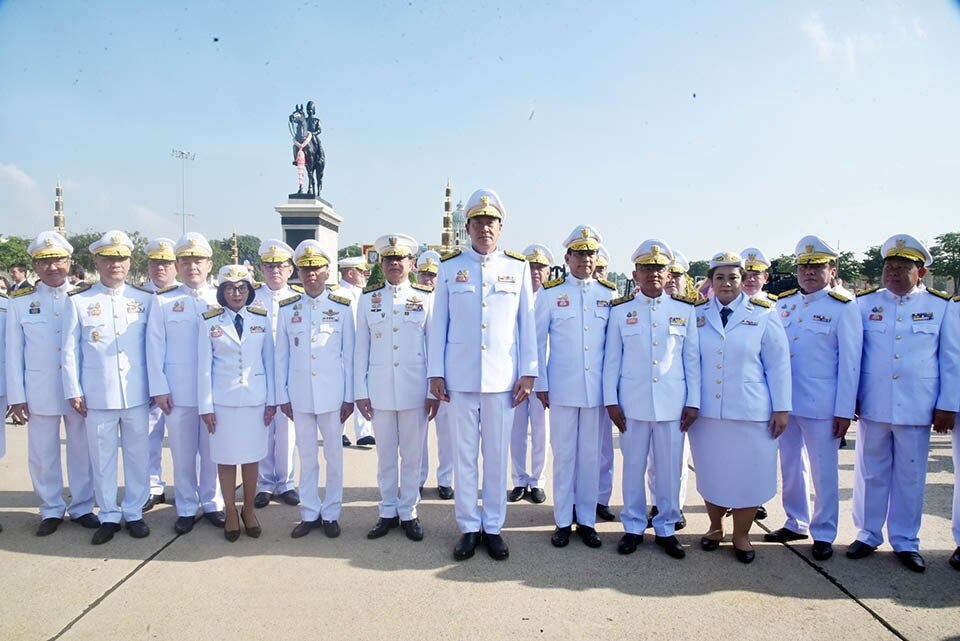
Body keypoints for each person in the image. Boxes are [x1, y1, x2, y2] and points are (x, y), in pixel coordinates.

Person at [428, 188, 537, 561]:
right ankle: (468, 526)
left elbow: (527, 327)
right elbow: (438, 325)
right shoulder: (449, 268)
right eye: (477, 222)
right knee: (464, 456)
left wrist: (528, 372)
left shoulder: (517, 267)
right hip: (460, 378)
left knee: (495, 455)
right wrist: (436, 373)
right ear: (468, 227)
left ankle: (493, 526)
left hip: (502, 380)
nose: (484, 228)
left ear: (500, 227)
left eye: (490, 222)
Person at [847, 234, 959, 573]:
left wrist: (947, 404)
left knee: (910, 476)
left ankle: (906, 540)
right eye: (889, 267)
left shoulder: (942, 307)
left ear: (920, 272)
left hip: (918, 405)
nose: (893, 273)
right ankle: (868, 534)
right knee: (870, 472)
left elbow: (950, 359)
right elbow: (854, 357)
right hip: (874, 404)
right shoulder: (863, 304)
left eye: (902, 267)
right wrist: (850, 397)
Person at [687, 251, 791, 564]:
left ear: (744, 280)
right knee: (712, 471)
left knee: (749, 474)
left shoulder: (764, 312)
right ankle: (715, 527)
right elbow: (691, 363)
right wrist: (691, 402)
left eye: (733, 277)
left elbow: (778, 364)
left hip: (751, 411)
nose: (726, 283)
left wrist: (782, 408)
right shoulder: (698, 315)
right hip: (707, 412)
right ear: (710, 281)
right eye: (719, 277)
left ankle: (741, 534)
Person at [764, 236, 862, 562]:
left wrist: (845, 410)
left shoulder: (844, 306)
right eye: (804, 266)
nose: (808, 271)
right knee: (790, 466)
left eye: (817, 266)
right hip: (786, 404)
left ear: (831, 270)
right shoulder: (784, 303)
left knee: (824, 471)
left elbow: (850, 364)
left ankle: (824, 532)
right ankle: (796, 521)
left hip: (823, 405)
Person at [603, 239, 700, 559]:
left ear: (668, 272)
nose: (653, 274)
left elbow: (692, 361)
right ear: (635, 273)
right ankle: (632, 525)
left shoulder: (684, 311)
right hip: (632, 404)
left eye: (659, 268)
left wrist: (694, 401)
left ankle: (666, 527)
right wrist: (611, 401)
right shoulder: (621, 311)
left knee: (670, 469)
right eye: (646, 268)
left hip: (673, 405)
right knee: (632, 467)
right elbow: (611, 360)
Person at [62, 231, 154, 545]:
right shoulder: (79, 300)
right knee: (101, 458)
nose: (115, 264)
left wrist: (155, 387)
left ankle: (135, 512)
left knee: (138, 455)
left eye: (121, 258)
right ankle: (109, 514)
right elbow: (69, 350)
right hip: (97, 394)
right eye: (109, 258)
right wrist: (73, 389)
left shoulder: (144, 299)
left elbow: (152, 350)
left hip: (136, 392)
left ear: (129, 262)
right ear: (97, 261)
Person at [6, 231, 98, 537]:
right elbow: (13, 353)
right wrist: (17, 397)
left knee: (81, 449)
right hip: (39, 389)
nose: (53, 267)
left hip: (79, 390)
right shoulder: (21, 303)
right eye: (44, 261)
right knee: (43, 452)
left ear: (69, 261)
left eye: (58, 259)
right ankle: (51, 508)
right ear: (34, 265)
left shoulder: (85, 297)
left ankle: (83, 506)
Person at [534, 225, 614, 549]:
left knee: (591, 459)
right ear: (567, 258)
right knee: (565, 456)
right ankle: (563, 521)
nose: (585, 259)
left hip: (595, 392)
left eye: (590, 253)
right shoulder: (551, 294)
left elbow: (614, 348)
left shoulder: (608, 295)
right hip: (563, 389)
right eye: (579, 254)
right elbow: (538, 342)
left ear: (597, 258)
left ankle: (587, 521)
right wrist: (541, 382)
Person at [356, 234, 437, 542]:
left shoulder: (425, 296)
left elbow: (433, 348)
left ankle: (410, 512)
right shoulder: (368, 298)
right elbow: (360, 351)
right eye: (389, 259)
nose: (394, 264)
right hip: (379, 391)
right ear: (382, 263)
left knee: (413, 455)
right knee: (386, 456)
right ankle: (387, 510)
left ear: (411, 263)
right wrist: (359, 391)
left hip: (415, 390)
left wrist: (433, 390)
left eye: (399, 258)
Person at [146, 233, 226, 535]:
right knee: (181, 453)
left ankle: (212, 502)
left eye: (198, 260)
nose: (193, 266)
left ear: (209, 264)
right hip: (177, 392)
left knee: (212, 452)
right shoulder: (164, 301)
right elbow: (154, 347)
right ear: (177, 266)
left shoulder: (221, 299)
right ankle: (186, 507)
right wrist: (160, 388)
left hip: (213, 392)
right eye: (186, 261)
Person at [276, 240, 355, 539]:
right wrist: (282, 396)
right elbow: (280, 356)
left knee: (334, 457)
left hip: (333, 396)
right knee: (306, 457)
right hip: (300, 395)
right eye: (305, 268)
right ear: (297, 271)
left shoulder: (342, 307)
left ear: (327, 270)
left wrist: (349, 397)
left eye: (316, 267)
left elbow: (349, 355)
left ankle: (332, 513)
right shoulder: (288, 309)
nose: (311, 273)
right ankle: (309, 511)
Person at [198, 265, 276, 541]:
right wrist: (205, 406)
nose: (237, 293)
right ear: (221, 292)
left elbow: (270, 362)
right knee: (226, 458)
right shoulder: (210, 321)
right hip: (223, 402)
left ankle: (249, 510)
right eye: (230, 288)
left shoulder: (261, 319)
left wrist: (273, 400)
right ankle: (230, 510)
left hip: (255, 399)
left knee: (253, 457)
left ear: (249, 291)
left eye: (242, 288)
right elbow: (204, 368)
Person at [645, 248, 697, 531]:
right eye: (670, 273)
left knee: (677, 460)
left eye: (676, 274)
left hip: (677, 399)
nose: (672, 279)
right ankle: (657, 503)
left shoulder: (692, 308)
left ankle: (675, 507)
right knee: (653, 460)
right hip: (648, 398)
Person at [249, 240, 301, 509]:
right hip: (258, 372)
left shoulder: (298, 299)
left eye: (280, 266)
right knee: (263, 428)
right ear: (261, 269)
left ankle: (287, 482)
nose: (274, 271)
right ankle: (265, 483)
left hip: (289, 373)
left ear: (290, 270)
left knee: (287, 430)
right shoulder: (250, 298)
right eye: (268, 266)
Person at [507, 244, 553, 505]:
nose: (536, 272)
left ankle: (537, 480)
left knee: (540, 432)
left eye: (541, 267)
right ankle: (519, 480)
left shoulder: (552, 297)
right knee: (516, 431)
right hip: (514, 376)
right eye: (532, 267)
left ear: (548, 271)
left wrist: (543, 381)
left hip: (542, 377)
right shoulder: (513, 294)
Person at [140, 237, 179, 511]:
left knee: (186, 445)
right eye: (155, 262)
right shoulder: (137, 297)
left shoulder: (188, 296)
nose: (160, 268)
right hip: (145, 383)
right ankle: (152, 486)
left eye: (166, 263)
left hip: (181, 383)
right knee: (148, 439)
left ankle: (196, 489)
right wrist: (155, 384)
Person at [415, 250, 454, 500]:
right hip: (417, 376)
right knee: (417, 433)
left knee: (447, 432)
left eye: (433, 275)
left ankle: (445, 479)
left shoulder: (449, 299)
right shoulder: (411, 299)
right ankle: (417, 477)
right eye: (424, 273)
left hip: (444, 376)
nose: (428, 279)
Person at [337, 255, 374, 447]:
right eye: (360, 271)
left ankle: (364, 431)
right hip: (342, 350)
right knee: (343, 391)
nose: (363, 274)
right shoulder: (338, 293)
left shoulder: (364, 293)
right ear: (350, 273)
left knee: (362, 387)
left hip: (361, 346)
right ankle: (340, 431)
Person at [592, 244, 616, 522]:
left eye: (601, 269)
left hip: (603, 387)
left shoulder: (611, 298)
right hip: (576, 384)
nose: (596, 273)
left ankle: (601, 498)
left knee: (604, 451)